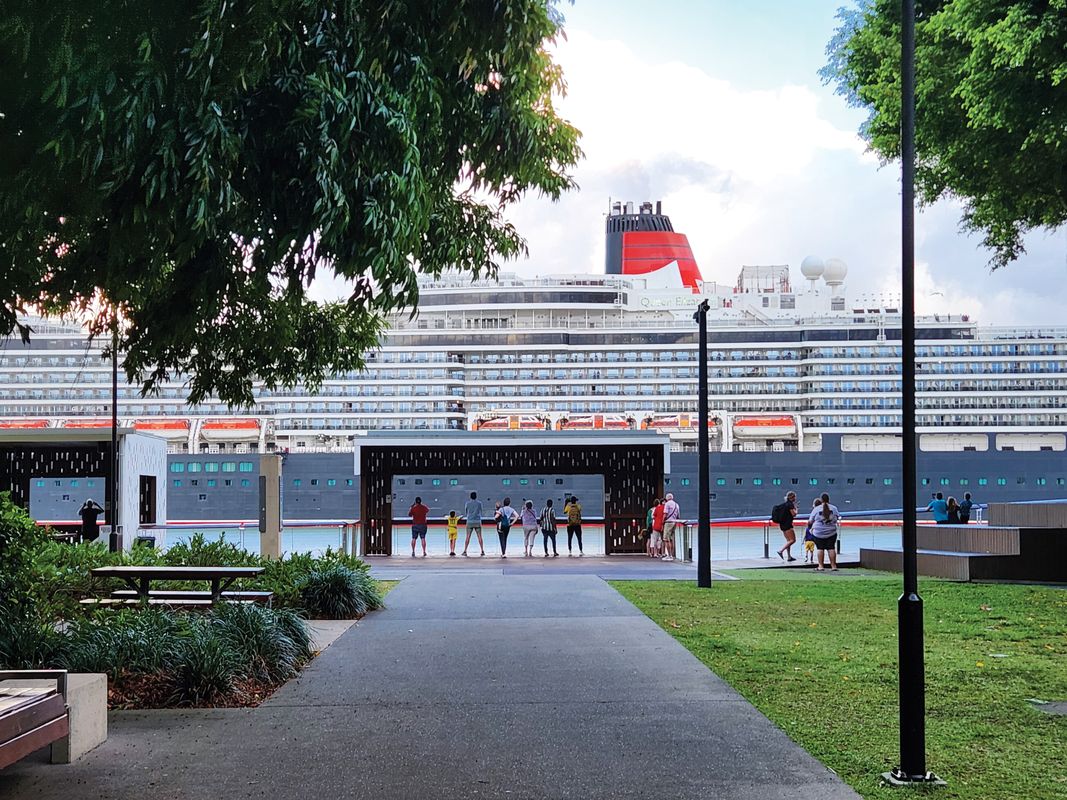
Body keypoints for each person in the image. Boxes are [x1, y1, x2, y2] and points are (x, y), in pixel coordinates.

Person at [808, 493, 840, 572]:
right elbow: (836, 518)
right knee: (831, 548)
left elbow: (810, 521)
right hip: (831, 532)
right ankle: (833, 566)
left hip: (818, 533)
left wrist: (810, 528)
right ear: (829, 499)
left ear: (821, 500)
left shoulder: (816, 509)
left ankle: (821, 566)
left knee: (820, 548)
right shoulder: (834, 508)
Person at [773, 491, 798, 562]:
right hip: (788, 525)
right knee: (793, 540)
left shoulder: (785, 504)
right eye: (794, 497)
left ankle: (789, 557)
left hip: (782, 525)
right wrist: (796, 509)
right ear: (792, 497)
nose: (795, 498)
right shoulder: (790, 505)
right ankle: (781, 551)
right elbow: (793, 514)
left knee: (788, 541)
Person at [461, 491, 485, 557]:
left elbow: (466, 511)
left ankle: (465, 551)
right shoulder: (479, 503)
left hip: (469, 521)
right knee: (480, 536)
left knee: (468, 537)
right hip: (477, 521)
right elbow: (481, 510)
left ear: (470, 497)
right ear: (476, 496)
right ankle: (482, 550)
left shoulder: (467, 503)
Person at [661, 492, 680, 562]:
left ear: (667, 498)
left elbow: (665, 514)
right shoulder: (676, 505)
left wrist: (662, 522)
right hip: (674, 522)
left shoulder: (667, 504)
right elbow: (678, 516)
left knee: (666, 539)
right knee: (671, 539)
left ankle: (669, 555)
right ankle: (672, 555)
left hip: (668, 522)